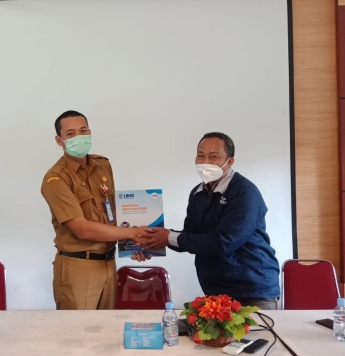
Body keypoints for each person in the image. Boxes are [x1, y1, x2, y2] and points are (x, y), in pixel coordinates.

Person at [134, 132, 281, 310]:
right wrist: (151, 241)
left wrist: (168, 237)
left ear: (230, 161)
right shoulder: (198, 193)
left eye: (213, 157)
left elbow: (224, 242)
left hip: (252, 290)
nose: (205, 162)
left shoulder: (244, 193)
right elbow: (190, 237)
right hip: (216, 291)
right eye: (200, 155)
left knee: (256, 331)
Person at [41, 110, 147, 310]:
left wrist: (133, 245)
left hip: (108, 263)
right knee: (77, 328)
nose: (79, 137)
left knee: (106, 327)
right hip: (78, 268)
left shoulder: (103, 165)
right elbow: (82, 229)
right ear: (59, 140)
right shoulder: (56, 179)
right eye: (71, 134)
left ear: (90, 131)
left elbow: (113, 214)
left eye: (83, 131)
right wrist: (133, 233)